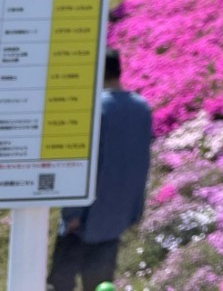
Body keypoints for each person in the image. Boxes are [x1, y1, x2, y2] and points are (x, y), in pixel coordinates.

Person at [48, 49, 152, 291]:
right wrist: (135, 209)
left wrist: (71, 211)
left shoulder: (97, 109)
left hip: (83, 216)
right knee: (100, 283)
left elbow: (86, 163)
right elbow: (142, 161)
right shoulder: (141, 107)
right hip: (117, 213)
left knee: (60, 282)